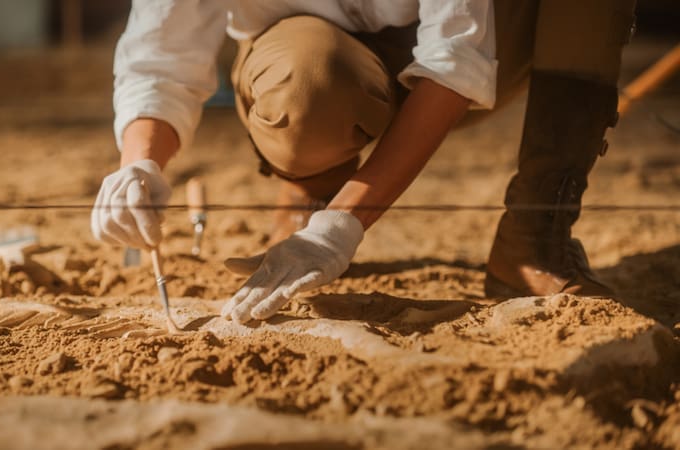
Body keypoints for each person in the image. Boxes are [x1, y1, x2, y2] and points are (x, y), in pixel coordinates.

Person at [92, 1, 636, 324]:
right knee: (308, 85)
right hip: (308, 59)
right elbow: (161, 55)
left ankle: (536, 231)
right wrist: (140, 163)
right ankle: (312, 182)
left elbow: (456, 59)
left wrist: (342, 226)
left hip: (484, 52)